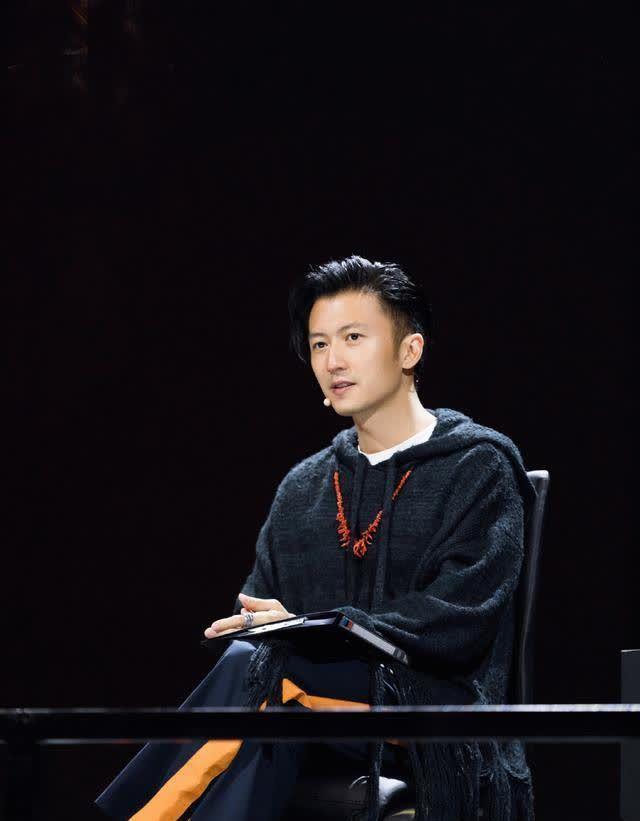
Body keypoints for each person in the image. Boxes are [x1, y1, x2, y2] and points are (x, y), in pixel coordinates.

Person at [96, 254, 537, 821]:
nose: (333, 361)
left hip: (432, 714)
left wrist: (320, 629)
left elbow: (459, 620)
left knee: (266, 680)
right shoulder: (305, 485)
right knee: (258, 678)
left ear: (410, 351)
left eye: (353, 338)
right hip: (310, 708)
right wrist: (259, 623)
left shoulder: (478, 466)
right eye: (319, 344)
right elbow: (261, 612)